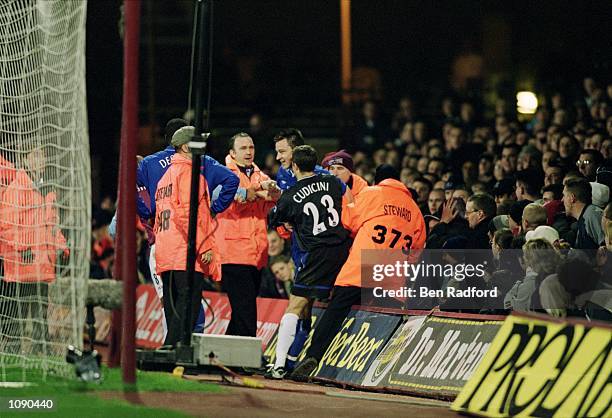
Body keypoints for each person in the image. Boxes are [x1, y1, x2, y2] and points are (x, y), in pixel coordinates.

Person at [290, 164, 426, 380]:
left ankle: (313, 355)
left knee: (335, 312)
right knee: (387, 319)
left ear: (378, 179)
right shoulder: (416, 211)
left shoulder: (372, 193)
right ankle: (379, 370)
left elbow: (347, 221)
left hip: (361, 266)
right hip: (391, 273)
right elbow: (417, 251)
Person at [265, 145, 351, 379]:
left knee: (295, 306)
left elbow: (274, 219)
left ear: (294, 166)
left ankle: (279, 365)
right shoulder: (333, 182)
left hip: (314, 254)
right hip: (341, 250)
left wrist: (286, 221)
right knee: (310, 307)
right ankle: (294, 359)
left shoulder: (291, 195)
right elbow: (350, 200)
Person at [153, 126, 221, 347]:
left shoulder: (165, 178)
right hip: (185, 251)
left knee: (173, 307)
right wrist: (203, 246)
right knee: (188, 306)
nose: (203, 146)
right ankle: (170, 350)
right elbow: (187, 216)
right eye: (198, 142)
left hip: (166, 250)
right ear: (185, 146)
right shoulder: (190, 175)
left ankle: (169, 350)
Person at [0, 142, 68, 354]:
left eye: (43, 156)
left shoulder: (47, 190)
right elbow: (6, 224)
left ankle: (41, 348)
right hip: (22, 261)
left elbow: (53, 225)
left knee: (41, 308)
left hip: (42, 261)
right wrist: (23, 248)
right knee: (19, 310)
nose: (41, 160)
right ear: (26, 159)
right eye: (36, 155)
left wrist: (62, 247)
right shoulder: (17, 188)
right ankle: (12, 349)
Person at [215, 132, 280, 337]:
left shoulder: (261, 175)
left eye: (251, 147)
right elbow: (232, 200)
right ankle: (246, 359)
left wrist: (269, 191)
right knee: (246, 309)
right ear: (232, 153)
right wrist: (257, 192)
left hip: (256, 253)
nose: (249, 152)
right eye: (243, 148)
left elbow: (273, 198)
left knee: (243, 308)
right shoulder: (223, 175)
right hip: (233, 252)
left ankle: (228, 354)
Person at [563, 178, 605, 249]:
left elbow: (607, 249)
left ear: (572, 198)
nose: (562, 200)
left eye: (564, 195)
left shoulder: (592, 214)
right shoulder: (584, 217)